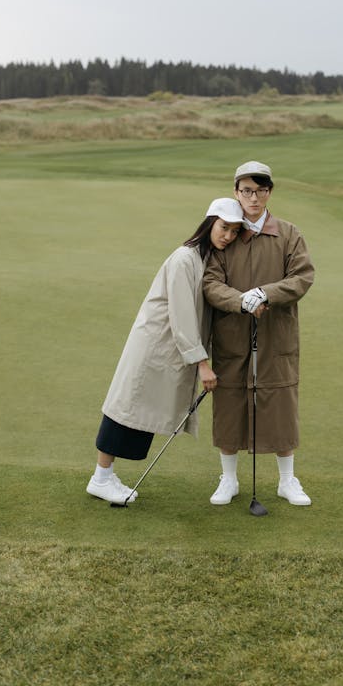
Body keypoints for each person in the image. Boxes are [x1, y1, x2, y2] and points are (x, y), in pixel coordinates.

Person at [86, 197, 245, 504]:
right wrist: (202, 364)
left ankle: (104, 476)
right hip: (155, 346)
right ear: (210, 223)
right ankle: (101, 478)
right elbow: (183, 314)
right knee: (126, 408)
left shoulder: (206, 259)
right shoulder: (185, 258)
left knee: (135, 410)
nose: (228, 236)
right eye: (224, 227)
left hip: (167, 348)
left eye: (235, 231)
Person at [202, 161, 315, 506]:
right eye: (247, 190)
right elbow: (210, 283)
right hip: (232, 335)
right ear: (236, 192)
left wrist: (266, 293)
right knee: (230, 403)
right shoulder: (228, 234)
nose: (254, 197)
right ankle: (229, 479)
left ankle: (287, 481)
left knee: (280, 403)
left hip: (275, 336)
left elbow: (302, 277)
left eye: (261, 190)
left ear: (269, 193)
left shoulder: (289, 233)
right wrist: (240, 300)